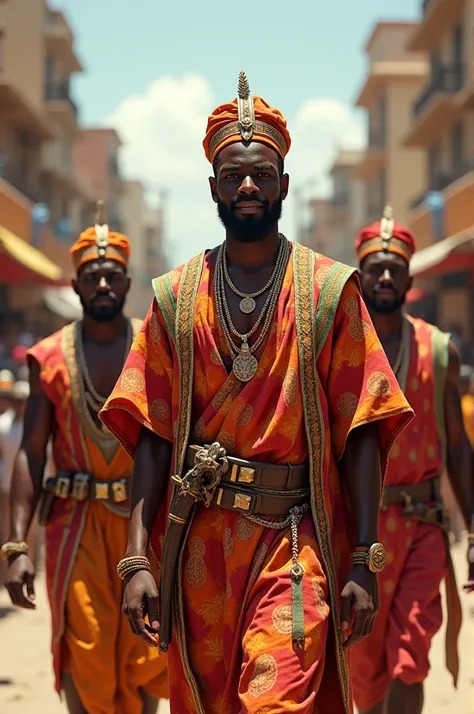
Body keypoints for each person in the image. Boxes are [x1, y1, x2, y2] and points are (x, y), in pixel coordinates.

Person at [100, 72, 414, 714]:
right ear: (214, 186)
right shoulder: (173, 298)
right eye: (235, 175)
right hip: (200, 550)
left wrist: (361, 560)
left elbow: (361, 427)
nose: (249, 186)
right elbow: (154, 438)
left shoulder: (331, 294)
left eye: (263, 174)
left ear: (284, 185)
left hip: (293, 543)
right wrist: (137, 561)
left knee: (277, 703)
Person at [1, 203, 168, 714]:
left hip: (146, 521)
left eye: (111, 276)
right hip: (75, 530)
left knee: (146, 654)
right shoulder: (49, 358)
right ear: (75, 285)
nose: (101, 285)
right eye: (91, 276)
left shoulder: (157, 347)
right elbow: (31, 455)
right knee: (85, 648)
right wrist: (16, 547)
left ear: (127, 282)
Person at [350, 206, 474, 714]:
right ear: (359, 275)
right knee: (364, 666)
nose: (384, 275)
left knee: (410, 656)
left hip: (422, 526)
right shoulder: (340, 348)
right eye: (375, 267)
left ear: (409, 275)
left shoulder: (437, 350)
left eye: (394, 267)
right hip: (357, 530)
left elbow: (460, 448)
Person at [0, 380, 40, 588]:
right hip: (7, 488)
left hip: (33, 489)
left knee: (31, 534)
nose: (18, 405)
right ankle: (8, 574)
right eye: (15, 400)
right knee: (7, 532)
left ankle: (28, 571)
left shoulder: (37, 426)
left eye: (22, 400)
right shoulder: (3, 425)